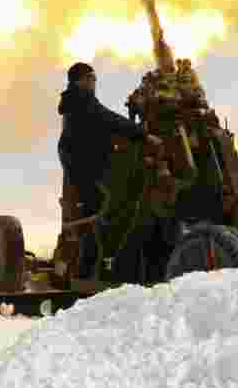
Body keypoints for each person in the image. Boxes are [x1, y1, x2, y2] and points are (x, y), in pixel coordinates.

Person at [58, 62, 163, 274]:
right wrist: (143, 135)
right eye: (91, 78)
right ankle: (100, 264)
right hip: (85, 165)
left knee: (96, 209)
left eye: (94, 78)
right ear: (80, 81)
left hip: (83, 162)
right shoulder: (81, 101)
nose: (94, 82)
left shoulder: (77, 101)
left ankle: (92, 264)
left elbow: (105, 122)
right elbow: (108, 119)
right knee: (113, 205)